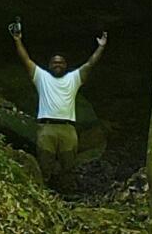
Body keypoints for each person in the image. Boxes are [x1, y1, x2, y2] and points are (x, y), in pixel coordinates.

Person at [10, 18, 107, 190]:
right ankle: (44, 195)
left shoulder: (73, 79)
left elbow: (90, 64)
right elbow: (26, 59)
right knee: (45, 164)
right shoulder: (42, 77)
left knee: (68, 165)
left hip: (68, 129)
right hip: (46, 128)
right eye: (54, 63)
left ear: (65, 66)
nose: (57, 65)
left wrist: (101, 46)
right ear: (49, 65)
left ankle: (67, 196)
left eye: (60, 63)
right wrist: (18, 40)